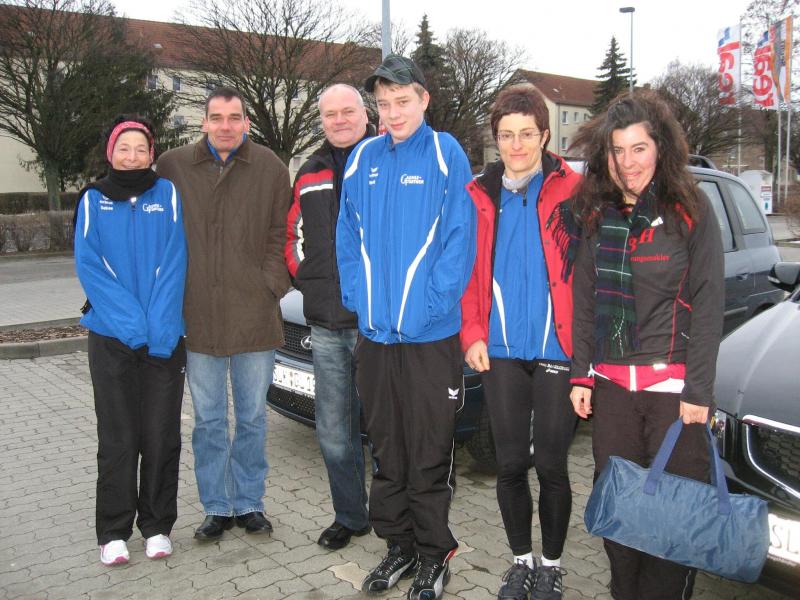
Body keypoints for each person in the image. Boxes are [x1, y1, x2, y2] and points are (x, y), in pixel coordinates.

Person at [568, 90, 724, 600]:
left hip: (673, 396)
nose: (628, 162)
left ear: (660, 148)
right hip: (613, 390)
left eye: (639, 148)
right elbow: (585, 299)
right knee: (620, 514)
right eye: (618, 150)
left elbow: (709, 304)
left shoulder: (690, 211)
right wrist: (580, 373)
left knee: (672, 520)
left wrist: (698, 390)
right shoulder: (598, 215)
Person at [336, 55, 476, 600]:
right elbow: (347, 236)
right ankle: (399, 545)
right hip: (376, 337)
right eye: (384, 103)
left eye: (402, 101)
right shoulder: (364, 158)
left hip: (429, 337)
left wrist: (432, 304)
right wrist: (359, 298)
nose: (392, 113)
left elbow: (459, 236)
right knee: (387, 449)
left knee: (428, 451)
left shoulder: (445, 153)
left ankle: (435, 555)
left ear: (423, 100)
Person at [461, 84, 582, 600]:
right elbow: (468, 272)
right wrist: (472, 334)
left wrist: (586, 353)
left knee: (551, 465)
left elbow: (591, 275)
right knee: (509, 464)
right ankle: (521, 562)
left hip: (558, 350)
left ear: (545, 136)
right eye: (507, 135)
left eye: (527, 134)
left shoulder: (575, 189)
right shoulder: (479, 194)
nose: (516, 145)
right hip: (502, 350)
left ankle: (551, 566)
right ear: (496, 138)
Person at [157, 87, 291, 540]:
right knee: (209, 421)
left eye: (235, 118)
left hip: (254, 314)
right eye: (217, 117)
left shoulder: (270, 167)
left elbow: (282, 231)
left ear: (246, 122)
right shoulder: (174, 166)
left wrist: (270, 284)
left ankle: (249, 503)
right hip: (199, 316)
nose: (226, 126)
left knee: (252, 418)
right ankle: (216, 506)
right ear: (204, 122)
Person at [74, 115, 187, 566]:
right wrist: (132, 325)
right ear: (111, 153)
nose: (133, 156)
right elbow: (90, 265)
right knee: (119, 437)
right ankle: (113, 531)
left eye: (141, 148)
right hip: (112, 338)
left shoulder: (167, 194)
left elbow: (175, 260)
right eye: (124, 148)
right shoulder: (93, 199)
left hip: (163, 338)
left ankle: (157, 526)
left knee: (161, 435)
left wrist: (157, 327)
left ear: (151, 152)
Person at [284, 84, 374, 550]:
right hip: (325, 324)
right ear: (321, 120)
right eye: (330, 114)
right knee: (335, 432)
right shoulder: (310, 171)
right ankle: (351, 516)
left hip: (377, 326)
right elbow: (292, 236)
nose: (339, 120)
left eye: (347, 111)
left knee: (387, 432)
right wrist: (309, 281)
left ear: (365, 114)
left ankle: (397, 518)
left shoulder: (384, 161)